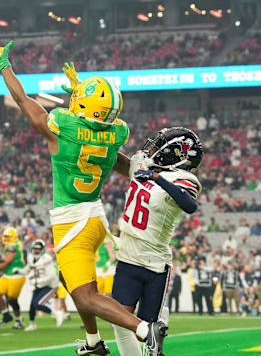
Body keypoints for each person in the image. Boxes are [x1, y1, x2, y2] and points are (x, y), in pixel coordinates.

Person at [0, 36, 167, 356]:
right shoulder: (114, 131)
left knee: (86, 296)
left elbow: (24, 100)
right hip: (94, 216)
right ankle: (93, 342)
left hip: (71, 222)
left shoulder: (61, 126)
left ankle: (146, 330)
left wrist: (3, 64)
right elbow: (117, 158)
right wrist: (82, 92)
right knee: (67, 278)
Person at [110, 127, 203, 356]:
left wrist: (156, 177)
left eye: (159, 144)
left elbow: (190, 205)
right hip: (128, 257)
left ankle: (158, 329)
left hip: (154, 264)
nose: (151, 148)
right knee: (121, 323)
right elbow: (115, 162)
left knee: (150, 329)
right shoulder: (142, 165)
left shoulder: (184, 178)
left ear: (176, 154)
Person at [20, 239, 57, 332]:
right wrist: (19, 271)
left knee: (37, 304)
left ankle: (55, 312)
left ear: (42, 249)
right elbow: (28, 268)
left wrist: (38, 281)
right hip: (39, 284)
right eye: (35, 249)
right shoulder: (31, 257)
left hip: (49, 284)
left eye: (38, 249)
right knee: (32, 306)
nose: (36, 251)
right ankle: (32, 324)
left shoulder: (47, 259)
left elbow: (52, 275)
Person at [0, 227, 27, 330]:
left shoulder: (12, 245)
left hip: (16, 275)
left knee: (12, 299)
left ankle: (19, 320)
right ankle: (6, 314)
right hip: (7, 275)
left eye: (8, 237)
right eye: (5, 237)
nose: (6, 239)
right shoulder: (15, 243)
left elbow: (7, 261)